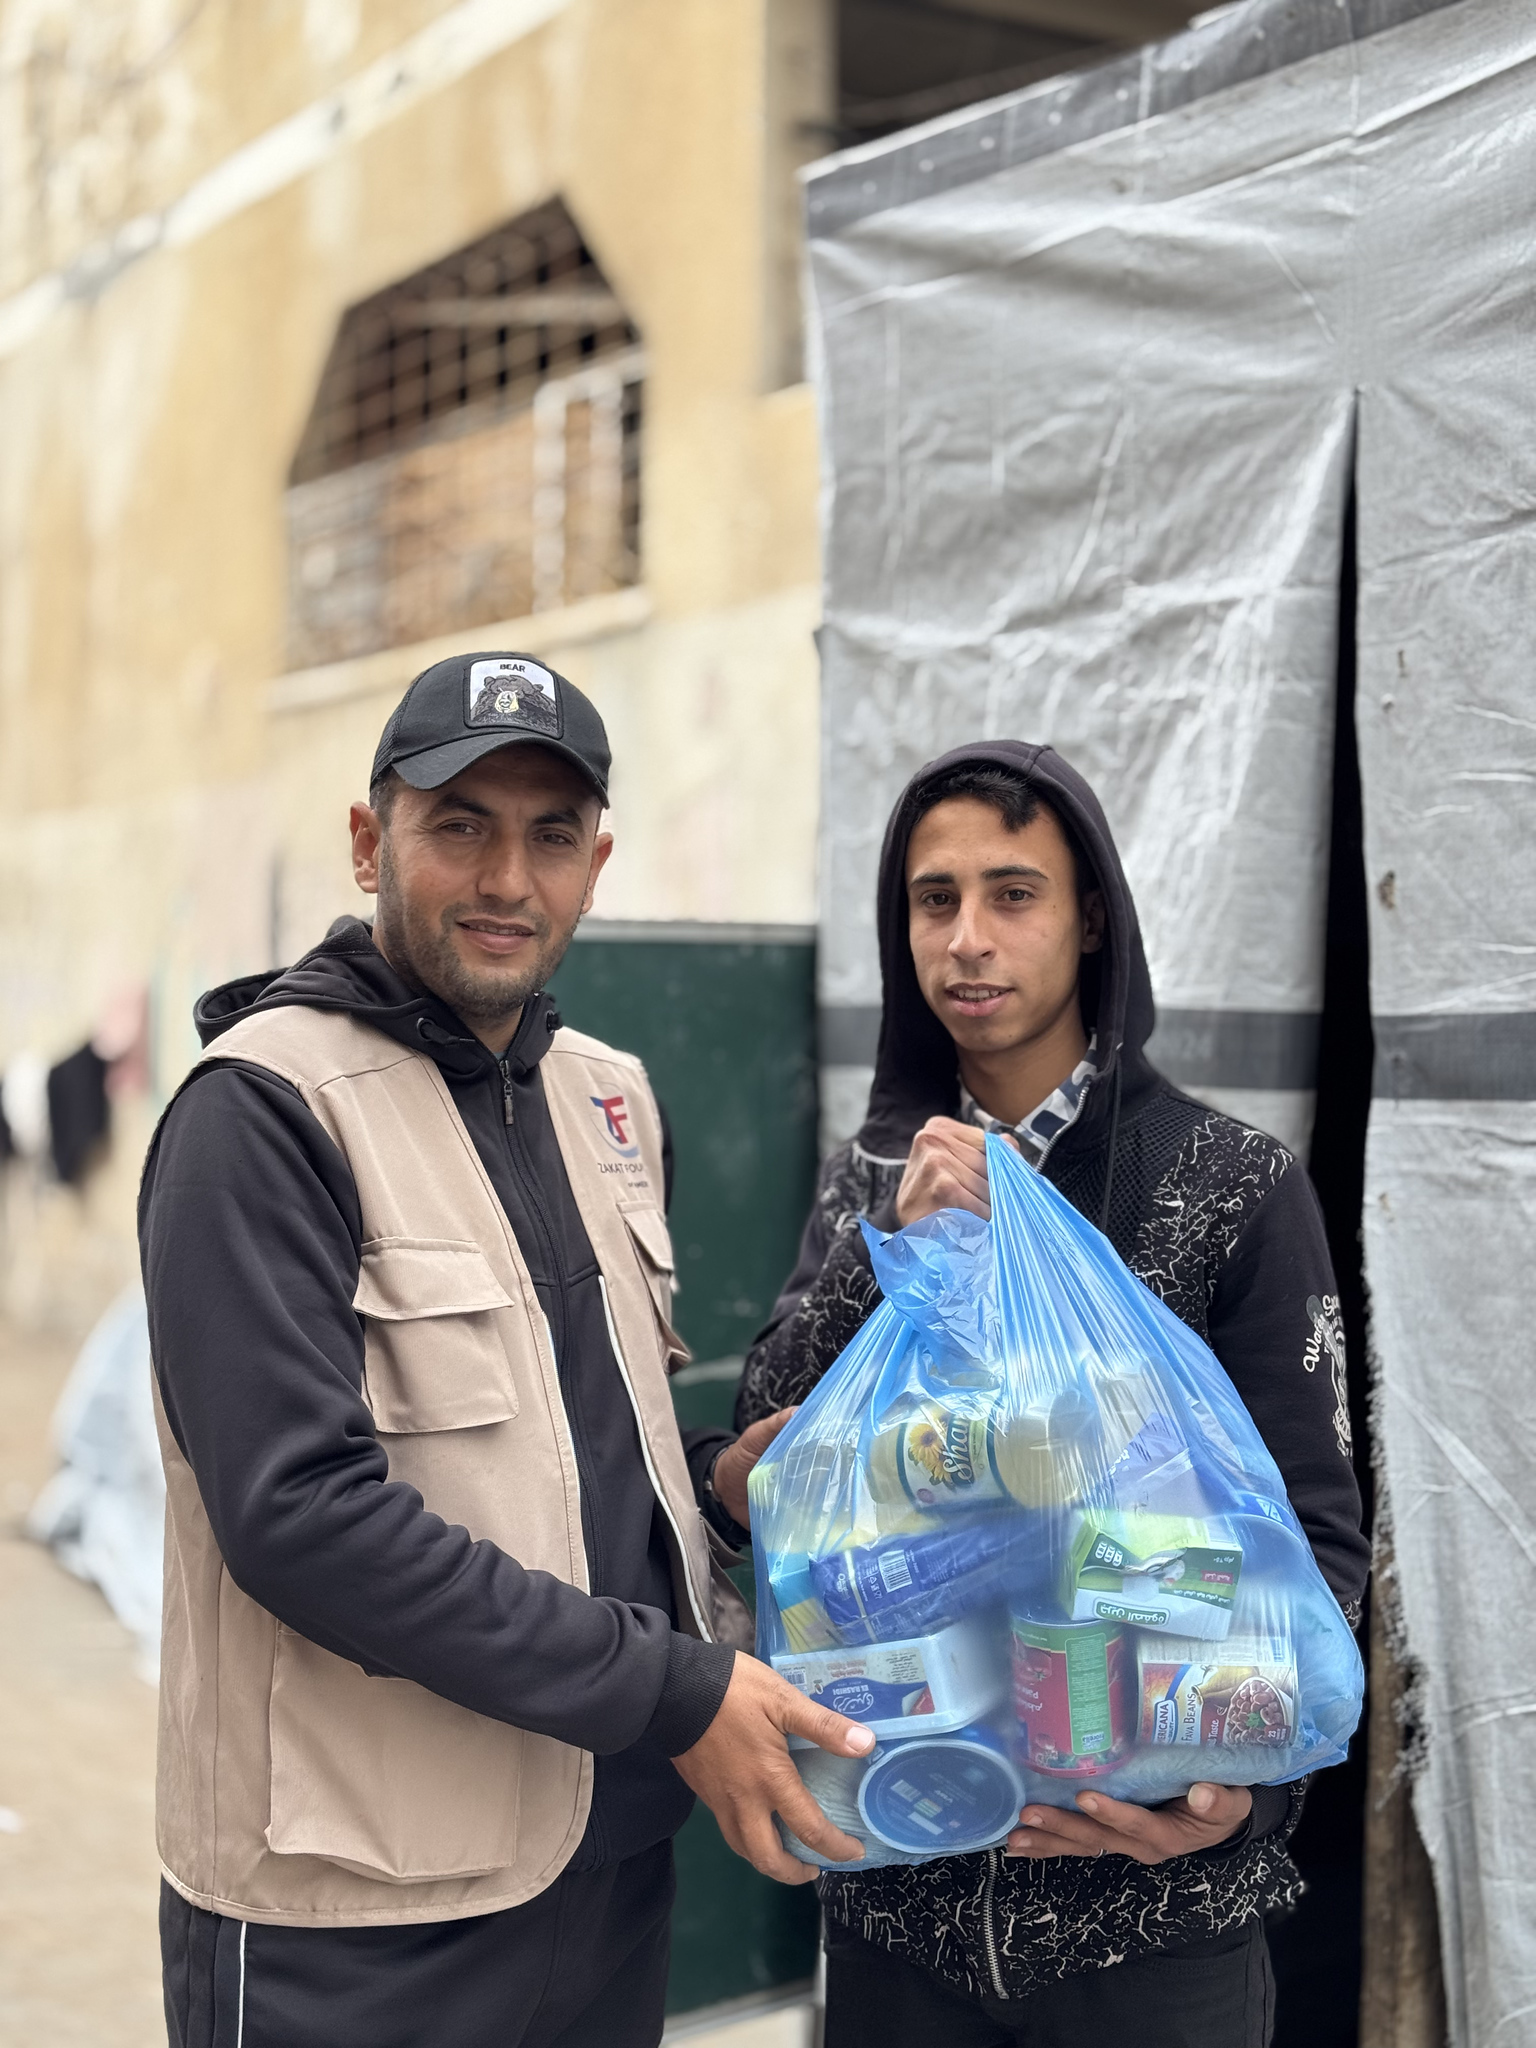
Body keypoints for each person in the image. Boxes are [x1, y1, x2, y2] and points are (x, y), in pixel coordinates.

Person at [140, 652, 874, 2048]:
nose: (506, 880)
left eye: (550, 835)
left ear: (597, 865)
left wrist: (717, 1489)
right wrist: (675, 1688)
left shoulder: (609, 1098)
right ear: (371, 843)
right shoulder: (264, 1113)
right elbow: (301, 1519)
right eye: (459, 825)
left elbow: (571, 1444)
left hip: (606, 1877)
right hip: (357, 1920)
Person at [737, 740, 1371, 2048]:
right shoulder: (871, 1179)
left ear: (1090, 920)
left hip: (1152, 1927)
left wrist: (1234, 1801)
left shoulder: (1227, 1185)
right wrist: (888, 1246)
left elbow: (1314, 1545)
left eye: (1013, 894)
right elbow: (780, 1469)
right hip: (903, 1907)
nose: (967, 938)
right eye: (934, 899)